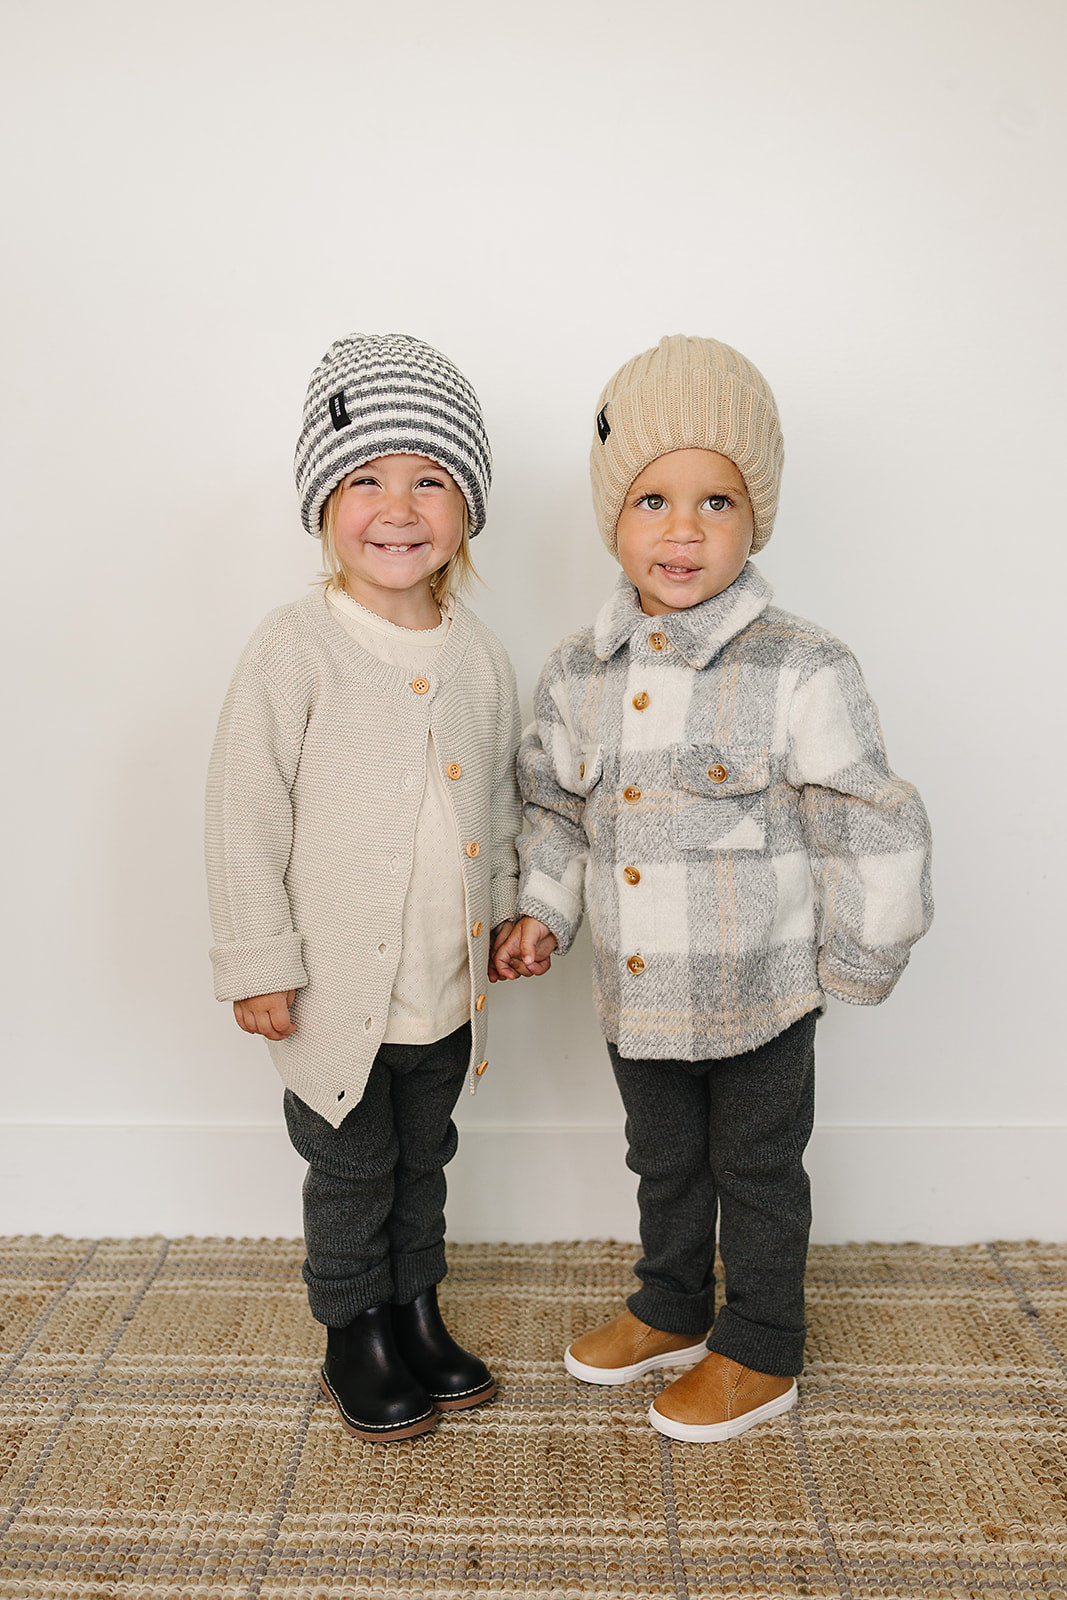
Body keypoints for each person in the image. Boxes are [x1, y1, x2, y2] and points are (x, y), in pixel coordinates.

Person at [494, 335, 932, 1443]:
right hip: (636, 995)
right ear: (613, 516)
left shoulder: (799, 664)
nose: (681, 531)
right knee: (662, 1160)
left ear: (755, 517)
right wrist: (541, 912)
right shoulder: (577, 672)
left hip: (760, 995)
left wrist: (859, 958)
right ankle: (672, 1304)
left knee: (757, 1168)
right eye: (652, 500)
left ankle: (762, 1346)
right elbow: (554, 809)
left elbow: (866, 813)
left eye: (715, 502)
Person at [206, 334, 521, 1442]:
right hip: (334, 998)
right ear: (322, 505)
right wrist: (257, 961)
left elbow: (500, 803)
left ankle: (414, 1310)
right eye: (364, 481)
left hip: (440, 989)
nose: (397, 508)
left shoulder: (479, 657)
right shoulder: (294, 648)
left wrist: (508, 916)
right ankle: (354, 1327)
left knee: (423, 1161)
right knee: (352, 1170)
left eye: (428, 480)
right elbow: (244, 813)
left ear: (465, 508)